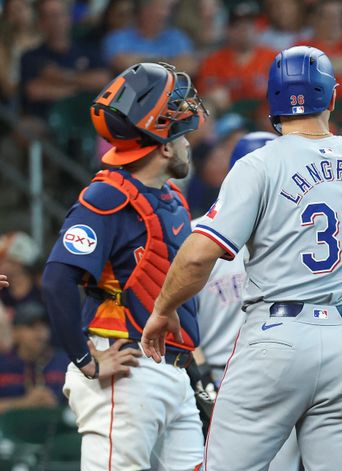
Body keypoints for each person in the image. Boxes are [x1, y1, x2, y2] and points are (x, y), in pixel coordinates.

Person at [140, 15, 342, 469]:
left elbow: (199, 255)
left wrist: (163, 311)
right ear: (331, 96)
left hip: (277, 335)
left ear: (273, 102)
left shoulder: (259, 163)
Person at [40, 62, 207, 470]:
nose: (189, 145)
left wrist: (195, 369)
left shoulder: (172, 201)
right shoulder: (106, 198)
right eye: (183, 137)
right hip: (125, 369)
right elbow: (56, 281)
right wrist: (85, 362)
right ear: (164, 146)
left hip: (173, 371)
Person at [193, 131, 301, 471]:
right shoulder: (200, 237)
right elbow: (178, 320)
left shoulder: (300, 236)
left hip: (280, 378)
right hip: (216, 380)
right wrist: (201, 383)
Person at [18, 0, 110, 120]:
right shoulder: (31, 57)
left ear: (68, 18)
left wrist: (61, 76)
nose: (55, 22)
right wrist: (83, 87)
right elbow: (35, 91)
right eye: (49, 16)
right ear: (41, 22)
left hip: (87, 119)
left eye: (59, 15)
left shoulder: (88, 49)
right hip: (46, 120)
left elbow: (104, 80)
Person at [0, 303, 70, 414]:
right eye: (31, 326)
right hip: (11, 429)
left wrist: (56, 405)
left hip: (57, 428)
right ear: (15, 332)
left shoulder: (66, 362)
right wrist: (24, 403)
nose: (40, 332)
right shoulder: (3, 364)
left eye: (43, 326)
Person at [103, 0, 196, 74]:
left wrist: (142, 62)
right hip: (141, 96)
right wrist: (170, 62)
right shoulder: (119, 37)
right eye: (160, 8)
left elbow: (189, 66)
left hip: (177, 95)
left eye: (167, 9)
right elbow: (122, 63)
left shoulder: (176, 36)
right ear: (145, 10)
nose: (165, 14)